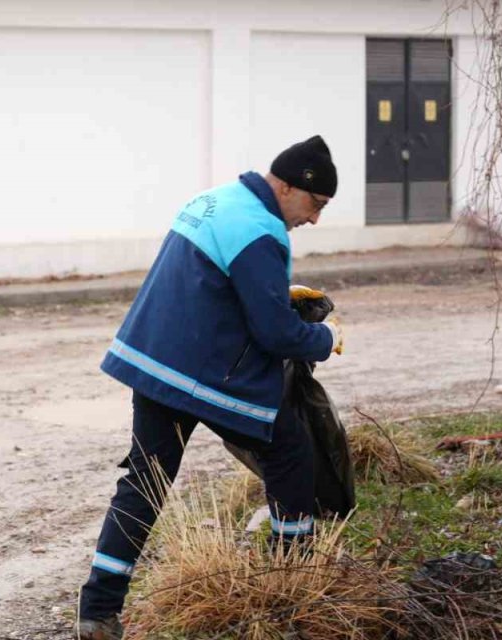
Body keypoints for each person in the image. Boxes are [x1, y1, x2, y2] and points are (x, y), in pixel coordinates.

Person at [75, 136, 346, 640]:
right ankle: (293, 589)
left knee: (145, 481)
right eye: (316, 204)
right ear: (287, 186)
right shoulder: (262, 230)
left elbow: (205, 281)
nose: (314, 219)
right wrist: (324, 339)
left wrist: (270, 292)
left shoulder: (214, 200)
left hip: (154, 361)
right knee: (292, 452)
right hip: (206, 374)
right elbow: (275, 334)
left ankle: (97, 611)